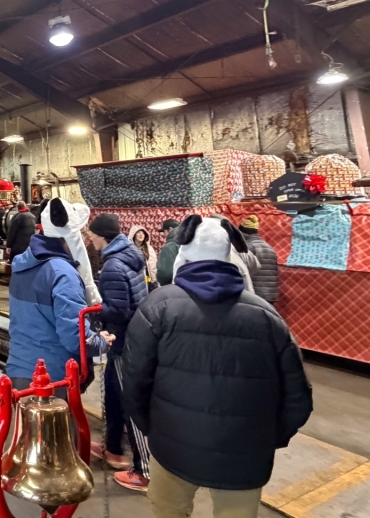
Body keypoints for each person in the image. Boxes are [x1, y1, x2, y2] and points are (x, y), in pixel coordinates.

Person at [122, 215, 313, 517]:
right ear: (229, 256)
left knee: (169, 510)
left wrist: (151, 428)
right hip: (244, 455)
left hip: (172, 445)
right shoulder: (266, 316)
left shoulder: (157, 307)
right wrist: (267, 438)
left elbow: (133, 381)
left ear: (183, 256)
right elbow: (298, 397)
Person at [7, 198, 114, 396]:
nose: (85, 239)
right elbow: (74, 336)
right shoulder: (63, 273)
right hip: (53, 377)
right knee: (60, 427)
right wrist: (101, 342)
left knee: (26, 426)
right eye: (82, 233)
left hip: (19, 367)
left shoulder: (23, 264)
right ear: (70, 237)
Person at [86, 214, 151, 489]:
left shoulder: (112, 266)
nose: (89, 239)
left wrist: (92, 307)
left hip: (122, 340)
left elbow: (120, 309)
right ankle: (112, 446)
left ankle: (143, 469)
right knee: (112, 392)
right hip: (132, 335)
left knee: (128, 401)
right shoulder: (131, 254)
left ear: (103, 236)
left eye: (91, 234)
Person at [239, 215, 280, 305]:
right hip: (270, 294)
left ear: (243, 233)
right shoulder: (269, 248)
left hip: (256, 294)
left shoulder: (248, 247)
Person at [155, 219, 181, 286]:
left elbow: (165, 274)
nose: (164, 234)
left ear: (170, 229)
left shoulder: (169, 247)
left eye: (164, 231)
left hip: (174, 286)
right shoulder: (189, 241)